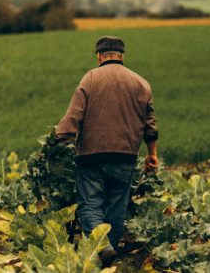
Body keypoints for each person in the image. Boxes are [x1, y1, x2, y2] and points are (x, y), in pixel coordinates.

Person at [55, 36, 159, 264]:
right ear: (122, 55)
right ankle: (108, 255)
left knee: (90, 205)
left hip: (91, 156)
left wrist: (57, 141)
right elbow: (150, 123)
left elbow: (74, 117)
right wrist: (152, 154)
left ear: (99, 55)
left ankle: (102, 247)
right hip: (126, 156)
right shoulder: (140, 83)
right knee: (116, 207)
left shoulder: (91, 78)